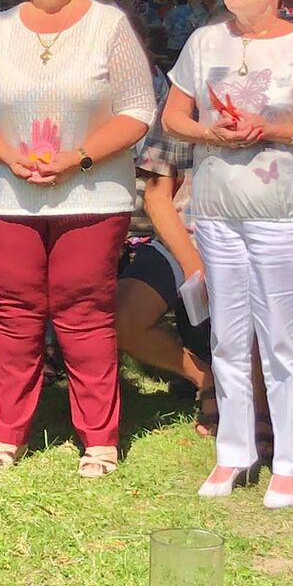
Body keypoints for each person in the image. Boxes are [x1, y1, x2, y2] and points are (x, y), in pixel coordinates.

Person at [0, 0, 156, 476]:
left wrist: (77, 157)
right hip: (8, 196)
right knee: (13, 314)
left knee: (83, 311)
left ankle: (99, 439)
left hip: (91, 195)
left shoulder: (108, 25)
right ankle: (8, 433)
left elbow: (138, 109)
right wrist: (4, 152)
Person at [163, 0, 293, 509]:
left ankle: (289, 460)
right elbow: (173, 117)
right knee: (227, 336)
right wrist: (209, 132)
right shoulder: (204, 40)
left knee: (283, 338)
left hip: (282, 213)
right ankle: (234, 451)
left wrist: (275, 130)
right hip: (216, 210)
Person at [116, 120, 214, 436]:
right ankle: (205, 378)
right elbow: (157, 197)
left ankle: (255, 398)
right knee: (121, 317)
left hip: (254, 238)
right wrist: (194, 266)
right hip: (184, 235)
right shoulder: (178, 110)